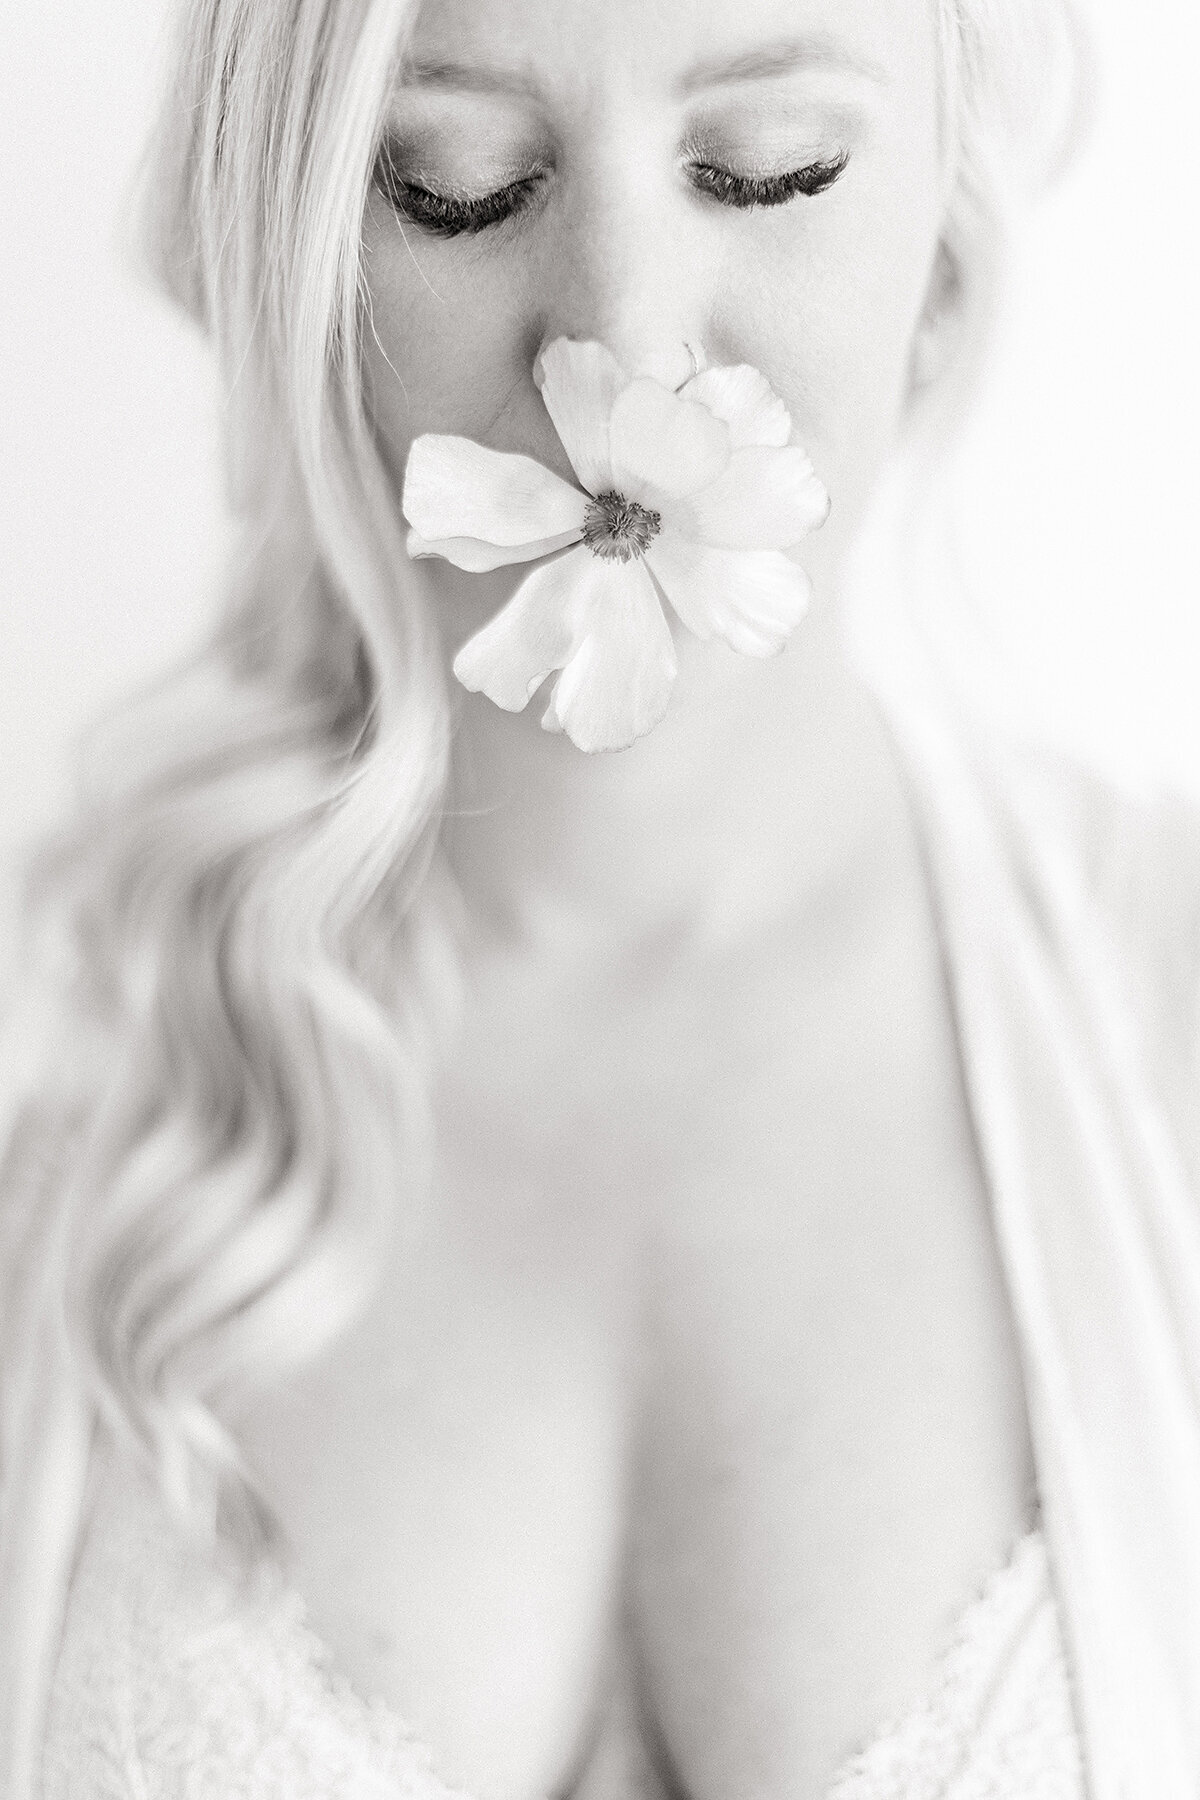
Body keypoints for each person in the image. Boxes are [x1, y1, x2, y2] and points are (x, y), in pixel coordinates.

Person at [3, 0, 1199, 1795]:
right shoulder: (62, 1087)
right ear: (297, 241)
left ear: (941, 238)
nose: (625, 347)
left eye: (768, 167)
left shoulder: (1160, 1025)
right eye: (455, 186)